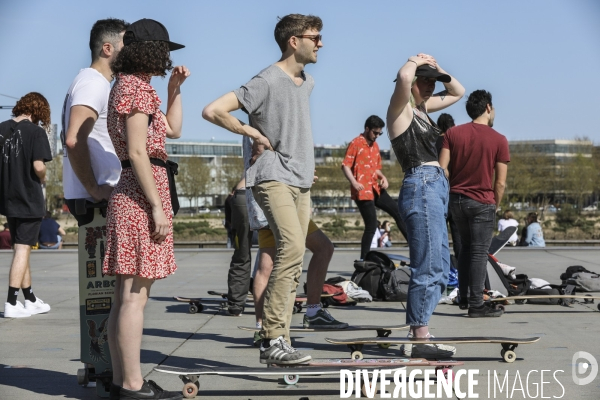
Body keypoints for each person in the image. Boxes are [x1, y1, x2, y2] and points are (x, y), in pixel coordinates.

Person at [202, 14, 323, 365]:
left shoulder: (307, 82)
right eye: (314, 37)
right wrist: (250, 132)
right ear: (293, 40)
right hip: (272, 177)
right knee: (292, 247)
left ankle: (280, 339)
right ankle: (271, 338)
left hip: (299, 181)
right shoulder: (267, 80)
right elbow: (213, 110)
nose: (321, 43)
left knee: (295, 256)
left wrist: (305, 167)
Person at [103, 19, 188, 400]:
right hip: (141, 194)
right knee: (134, 296)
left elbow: (173, 130)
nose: (168, 57)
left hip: (132, 191)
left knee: (126, 295)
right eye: (165, 50)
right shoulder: (136, 88)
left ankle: (124, 382)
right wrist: (156, 206)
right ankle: (133, 385)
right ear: (151, 50)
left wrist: (174, 91)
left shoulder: (134, 86)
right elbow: (139, 151)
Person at [387, 53, 464, 358]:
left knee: (442, 267)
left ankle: (420, 330)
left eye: (433, 82)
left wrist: (438, 68)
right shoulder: (399, 109)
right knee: (428, 263)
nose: (431, 86)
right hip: (420, 185)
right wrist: (413, 60)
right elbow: (405, 79)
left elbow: (458, 91)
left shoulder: (424, 110)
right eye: (426, 81)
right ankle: (419, 335)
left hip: (434, 187)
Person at [439, 89, 509, 318]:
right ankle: (477, 304)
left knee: (465, 250)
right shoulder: (499, 139)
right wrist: (495, 205)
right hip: (481, 201)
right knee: (479, 252)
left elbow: (442, 168)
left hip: (456, 201)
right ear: (488, 107)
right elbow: (500, 182)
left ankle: (464, 297)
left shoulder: (453, 134)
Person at [62, 18, 129, 226]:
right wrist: (95, 189)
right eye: (126, 47)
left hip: (96, 197)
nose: (131, 54)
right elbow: (73, 140)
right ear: (107, 49)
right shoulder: (93, 84)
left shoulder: (91, 82)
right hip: (97, 200)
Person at [1, 92, 53, 318]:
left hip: (7, 197)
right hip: (28, 197)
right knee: (23, 249)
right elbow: (39, 166)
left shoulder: (1, 128)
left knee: (21, 246)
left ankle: (30, 298)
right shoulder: (36, 132)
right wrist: (44, 177)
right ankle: (12, 302)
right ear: (40, 112)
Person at [342, 115, 408, 260]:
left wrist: (383, 177)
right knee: (371, 225)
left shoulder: (375, 146)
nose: (377, 136)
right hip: (362, 191)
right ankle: (363, 261)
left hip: (375, 188)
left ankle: (415, 248)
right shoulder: (356, 143)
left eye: (379, 133)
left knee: (398, 212)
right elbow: (345, 165)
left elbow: (375, 169)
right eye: (375, 133)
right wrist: (354, 182)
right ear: (367, 129)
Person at [226, 177, 253, 316]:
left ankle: (236, 305)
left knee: (241, 254)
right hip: (264, 193)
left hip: (240, 197)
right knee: (273, 252)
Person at [436, 113, 461, 259]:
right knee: (458, 234)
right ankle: (459, 268)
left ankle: (442, 266)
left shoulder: (433, 142)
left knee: (440, 234)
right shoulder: (456, 142)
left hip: (439, 193)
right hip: (456, 191)